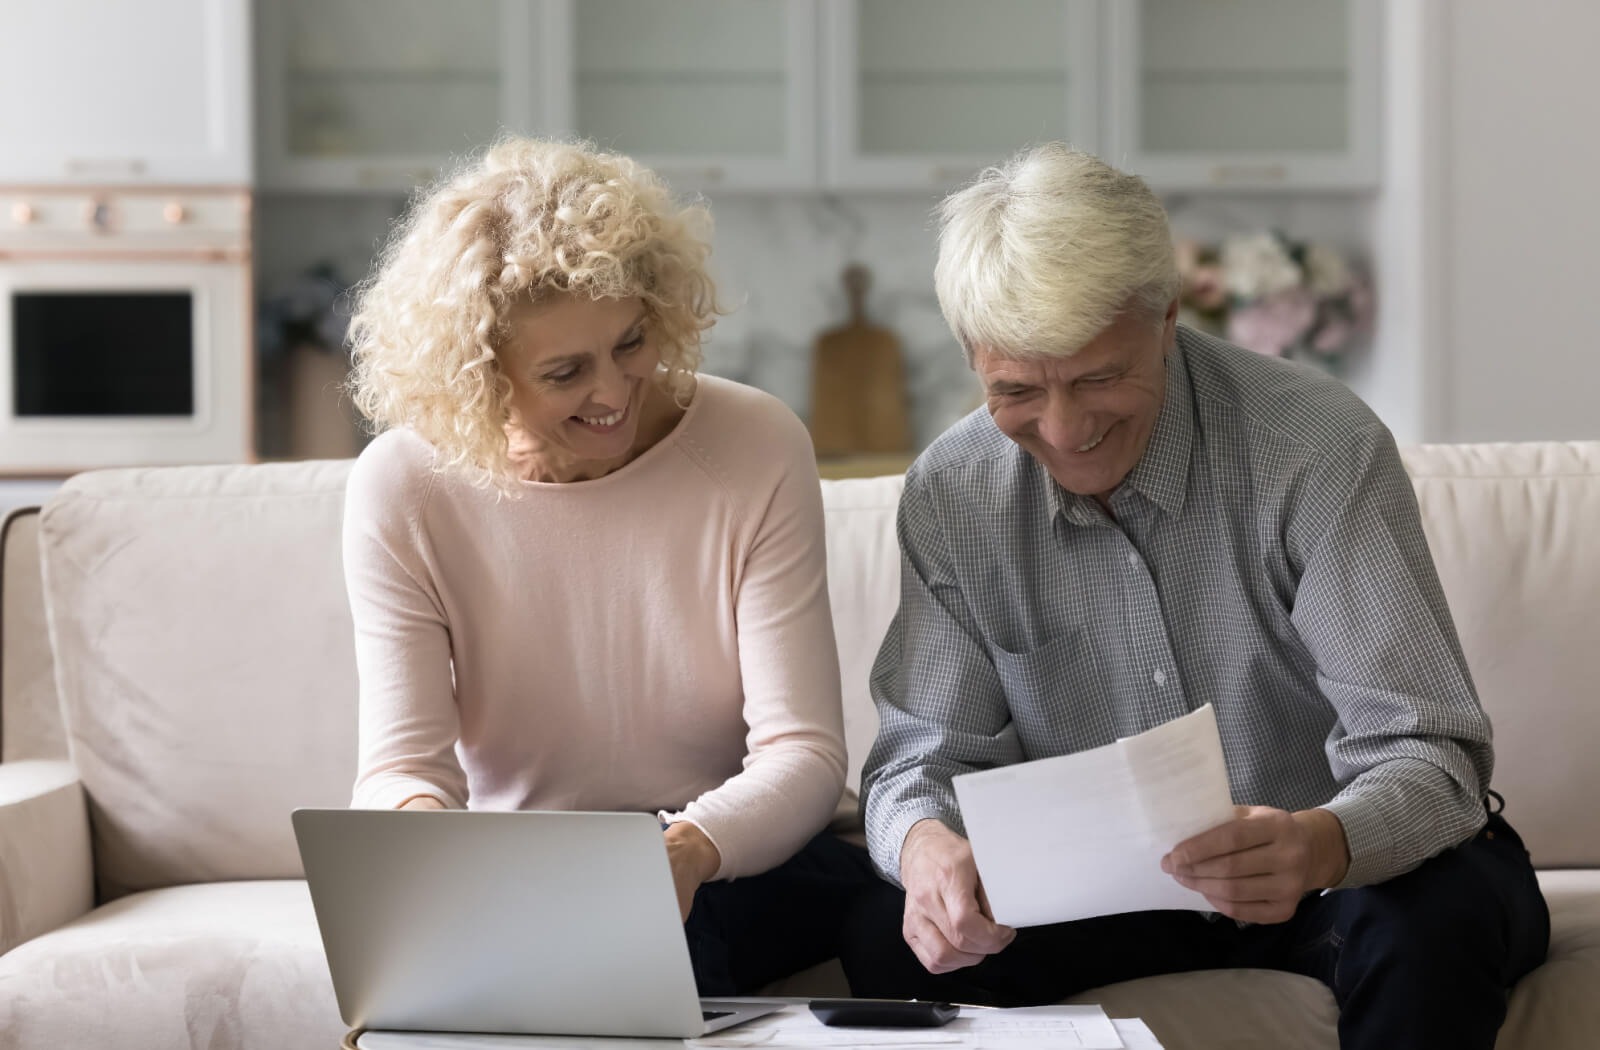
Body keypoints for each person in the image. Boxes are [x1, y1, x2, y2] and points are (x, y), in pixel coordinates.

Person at [839, 143, 1549, 1050]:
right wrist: (925, 851)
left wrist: (1320, 843)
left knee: (1435, 921)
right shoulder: (953, 493)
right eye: (1016, 390)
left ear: (1167, 318)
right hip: (1097, 896)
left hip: (1340, 867)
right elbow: (914, 764)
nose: (1065, 429)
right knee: (887, 937)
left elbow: (1431, 752)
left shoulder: (1316, 448)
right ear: (974, 360)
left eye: (1099, 377)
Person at [341, 136, 875, 996]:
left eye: (630, 343)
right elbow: (403, 771)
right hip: (534, 869)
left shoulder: (755, 445)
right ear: (478, 379)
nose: (616, 391)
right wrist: (430, 848)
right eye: (564, 371)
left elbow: (805, 755)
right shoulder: (404, 487)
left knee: (648, 945)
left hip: (735, 855)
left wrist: (685, 852)